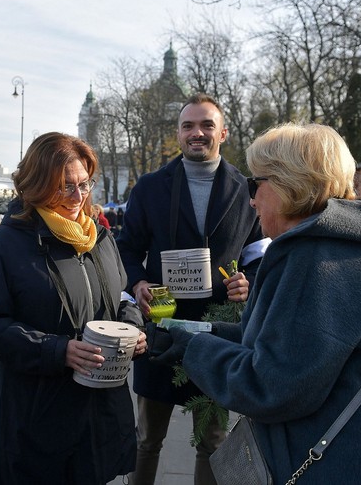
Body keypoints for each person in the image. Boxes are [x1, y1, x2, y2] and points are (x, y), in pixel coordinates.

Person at [152, 122, 361, 483]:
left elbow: (270, 385)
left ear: (291, 183)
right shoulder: (337, 248)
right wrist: (195, 332)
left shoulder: (317, 262)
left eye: (256, 184)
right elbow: (276, 340)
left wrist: (194, 349)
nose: (251, 199)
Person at [0, 132, 148, 484]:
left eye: (84, 185)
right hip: (37, 418)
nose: (78, 197)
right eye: (65, 187)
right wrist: (59, 350)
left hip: (98, 415)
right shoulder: (4, 245)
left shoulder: (99, 238)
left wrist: (133, 328)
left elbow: (121, 296)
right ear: (36, 184)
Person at [116, 93, 268, 484]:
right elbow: (128, 248)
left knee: (213, 441)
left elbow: (258, 250)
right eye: (188, 126)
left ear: (223, 133)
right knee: (147, 438)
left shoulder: (247, 190)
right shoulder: (149, 188)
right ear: (179, 133)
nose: (196, 133)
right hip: (161, 328)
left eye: (206, 125)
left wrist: (248, 281)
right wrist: (137, 282)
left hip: (221, 333)